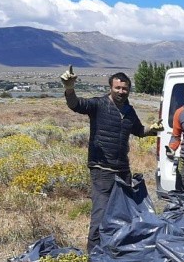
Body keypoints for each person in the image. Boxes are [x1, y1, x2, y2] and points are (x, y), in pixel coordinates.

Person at [60, 66, 162, 252]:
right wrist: (69, 88)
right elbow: (76, 104)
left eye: (125, 89)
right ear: (110, 87)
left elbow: (138, 130)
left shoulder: (129, 111)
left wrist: (151, 129)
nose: (121, 91)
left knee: (124, 213)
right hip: (102, 170)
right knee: (101, 215)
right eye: (117, 88)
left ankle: (116, 251)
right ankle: (94, 257)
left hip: (123, 170)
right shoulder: (98, 105)